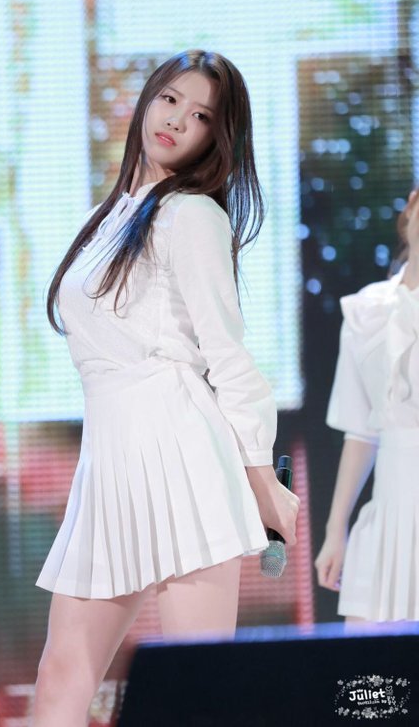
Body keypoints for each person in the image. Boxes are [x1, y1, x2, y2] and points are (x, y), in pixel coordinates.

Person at [31, 49, 300, 726]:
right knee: (62, 675)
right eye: (171, 99)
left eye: (202, 116)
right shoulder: (114, 215)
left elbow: (228, 357)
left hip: (182, 456)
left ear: (217, 138)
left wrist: (261, 483)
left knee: (196, 692)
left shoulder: (191, 216)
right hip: (110, 463)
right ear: (148, 98)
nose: (178, 121)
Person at [315, 188, 419, 623]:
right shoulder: (366, 310)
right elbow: (361, 431)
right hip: (387, 523)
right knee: (372, 666)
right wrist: (335, 529)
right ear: (412, 206)